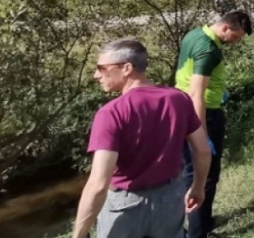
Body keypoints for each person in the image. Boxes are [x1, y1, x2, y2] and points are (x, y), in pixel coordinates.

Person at [73, 39, 211, 238]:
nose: (96, 75)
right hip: (170, 199)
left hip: (125, 207)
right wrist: (198, 188)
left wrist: (78, 234)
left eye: (101, 68)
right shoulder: (178, 99)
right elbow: (203, 149)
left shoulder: (111, 113)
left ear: (127, 68)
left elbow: (98, 183)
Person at [176, 11, 252, 238]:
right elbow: (196, 93)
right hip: (203, 114)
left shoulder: (194, 35)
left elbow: (190, 78)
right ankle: (198, 233)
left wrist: (220, 93)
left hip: (184, 110)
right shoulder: (208, 49)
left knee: (196, 173)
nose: (235, 42)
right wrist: (201, 135)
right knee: (203, 174)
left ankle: (205, 222)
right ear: (226, 28)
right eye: (236, 37)